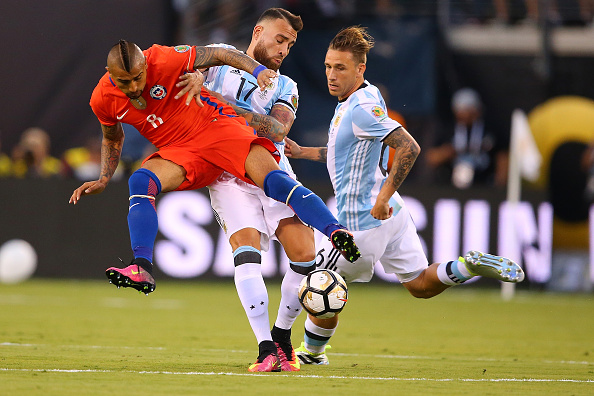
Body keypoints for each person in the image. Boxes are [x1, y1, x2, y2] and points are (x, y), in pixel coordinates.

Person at [68, 39, 360, 365]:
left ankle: (335, 231)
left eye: (139, 77)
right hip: (181, 151)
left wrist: (258, 69)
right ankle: (143, 267)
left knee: (275, 181)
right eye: (126, 82)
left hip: (217, 127)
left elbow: (220, 53)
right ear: (109, 76)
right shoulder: (102, 98)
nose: (136, 86)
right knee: (140, 181)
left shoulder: (163, 58)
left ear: (145, 65)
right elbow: (113, 136)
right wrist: (105, 178)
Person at [283, 26, 524, 365]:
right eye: (327, 66)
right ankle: (467, 266)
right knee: (420, 284)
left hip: (361, 224)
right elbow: (347, 152)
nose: (331, 75)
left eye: (340, 68)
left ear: (360, 69)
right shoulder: (367, 97)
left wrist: (382, 197)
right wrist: (304, 152)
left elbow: (409, 146)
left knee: (318, 285)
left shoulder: (360, 109)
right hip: (393, 215)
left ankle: (310, 353)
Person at [179, 8, 315, 373]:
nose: (284, 49)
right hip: (226, 175)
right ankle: (265, 348)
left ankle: (283, 334)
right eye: (280, 38)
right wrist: (193, 76)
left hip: (272, 170)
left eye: (290, 44)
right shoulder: (221, 55)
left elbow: (278, 129)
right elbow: (184, 66)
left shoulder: (287, 86)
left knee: (305, 256)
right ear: (258, 32)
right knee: (247, 252)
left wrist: (222, 104)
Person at [426, 88, 508, 189]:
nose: (466, 114)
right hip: (450, 186)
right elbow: (431, 157)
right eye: (462, 109)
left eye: (470, 109)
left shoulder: (490, 130)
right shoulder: (448, 130)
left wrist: (499, 184)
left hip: (484, 185)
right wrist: (448, 152)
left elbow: (502, 156)